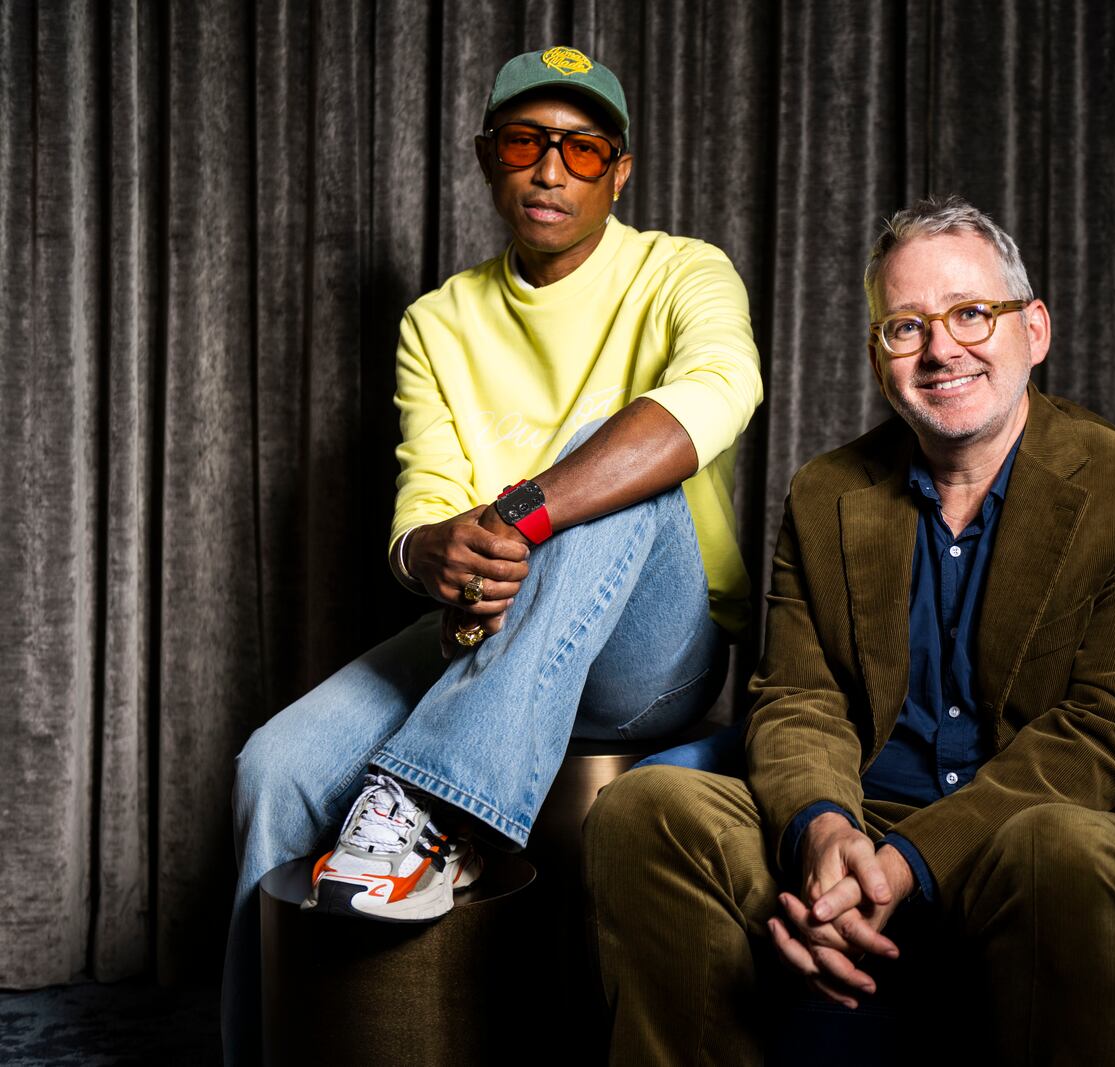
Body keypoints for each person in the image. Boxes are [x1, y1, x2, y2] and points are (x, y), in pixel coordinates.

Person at [585, 195, 1115, 1064]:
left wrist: (903, 865)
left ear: (1033, 329)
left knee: (1056, 850)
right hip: (867, 826)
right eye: (906, 326)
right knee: (648, 808)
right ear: (877, 355)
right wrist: (827, 836)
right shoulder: (825, 494)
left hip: (1095, 833)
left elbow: (1104, 738)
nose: (942, 349)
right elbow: (797, 700)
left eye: (972, 313)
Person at [222, 46, 762, 1064]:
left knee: (616, 447)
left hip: (654, 653)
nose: (550, 169)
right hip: (492, 623)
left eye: (582, 149)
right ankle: (271, 1043)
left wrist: (517, 512)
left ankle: (424, 805)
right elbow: (423, 499)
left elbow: (718, 393)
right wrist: (437, 551)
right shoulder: (437, 321)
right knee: (275, 765)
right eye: (524, 142)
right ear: (486, 159)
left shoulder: (683, 271)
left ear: (620, 170)